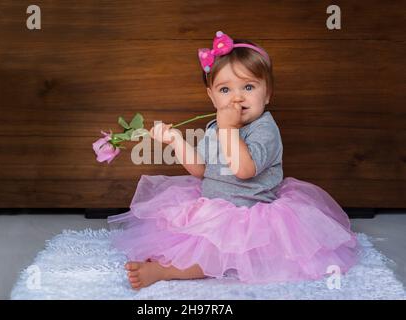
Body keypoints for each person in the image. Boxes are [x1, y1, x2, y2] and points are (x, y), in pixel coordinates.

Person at [107, 31, 360, 290]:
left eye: (248, 87)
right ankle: (171, 257)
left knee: (213, 253)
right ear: (212, 96)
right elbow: (200, 169)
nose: (237, 97)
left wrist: (228, 130)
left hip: (249, 216)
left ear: (268, 93)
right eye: (225, 89)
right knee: (184, 234)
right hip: (212, 205)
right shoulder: (215, 126)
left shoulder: (264, 129)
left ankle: (164, 271)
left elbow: (244, 170)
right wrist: (176, 141)